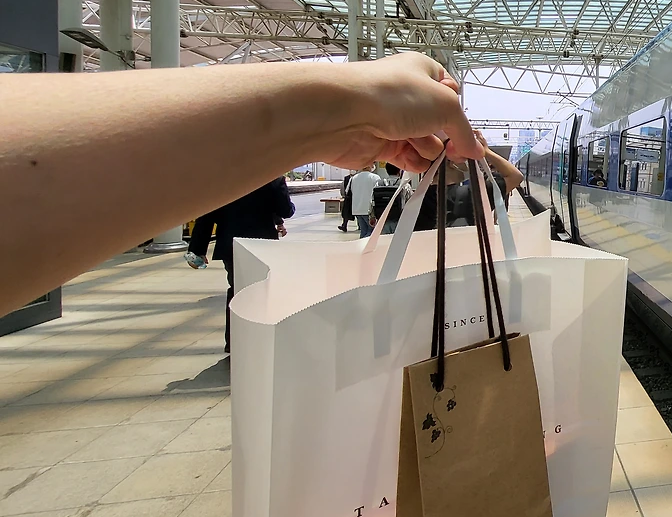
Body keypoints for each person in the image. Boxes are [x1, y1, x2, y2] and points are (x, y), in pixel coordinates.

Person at [0, 51, 482, 316]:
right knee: (253, 295)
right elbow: (284, 208)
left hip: (235, 243)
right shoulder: (269, 180)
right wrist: (336, 113)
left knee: (245, 297)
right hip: (260, 238)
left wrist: (336, 115)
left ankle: (241, 334)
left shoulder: (249, 179)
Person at [187, 177, 295, 354]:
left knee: (237, 290)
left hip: (232, 244)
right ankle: (260, 339)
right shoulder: (272, 177)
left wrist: (197, 249)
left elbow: (207, 215)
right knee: (262, 292)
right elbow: (286, 210)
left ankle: (235, 342)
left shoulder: (223, 178)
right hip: (262, 246)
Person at [414, 131, 524, 230]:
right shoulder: (475, 194)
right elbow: (516, 177)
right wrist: (485, 151)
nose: (465, 162)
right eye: (462, 158)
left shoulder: (418, 200)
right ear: (451, 163)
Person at [349, 163, 381, 238]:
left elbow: (352, 191)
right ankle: (364, 243)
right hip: (369, 209)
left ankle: (361, 243)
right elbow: (377, 192)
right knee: (371, 231)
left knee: (363, 231)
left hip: (357, 208)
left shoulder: (354, 178)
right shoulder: (375, 177)